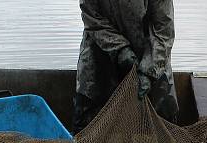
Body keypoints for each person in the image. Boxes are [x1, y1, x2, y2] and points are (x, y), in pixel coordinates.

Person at [72, 0, 179, 133]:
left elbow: (163, 29)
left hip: (150, 50)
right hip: (100, 45)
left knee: (164, 109)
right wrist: (120, 48)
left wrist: (149, 71)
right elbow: (91, 15)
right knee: (87, 112)